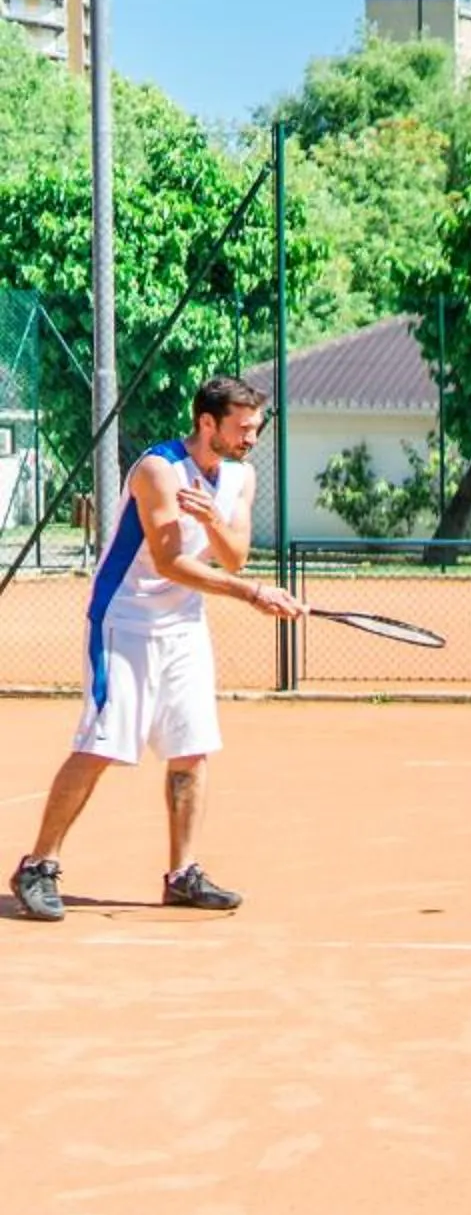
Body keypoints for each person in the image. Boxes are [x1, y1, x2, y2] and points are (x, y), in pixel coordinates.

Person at [10, 377, 306, 922]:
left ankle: (182, 874)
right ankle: (38, 865)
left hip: (184, 623)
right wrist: (253, 594)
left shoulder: (241, 476)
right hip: (124, 619)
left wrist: (214, 519)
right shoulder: (158, 470)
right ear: (207, 423)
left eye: (256, 429)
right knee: (103, 742)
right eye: (243, 428)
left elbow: (234, 555)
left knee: (191, 749)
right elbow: (170, 562)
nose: (251, 438)